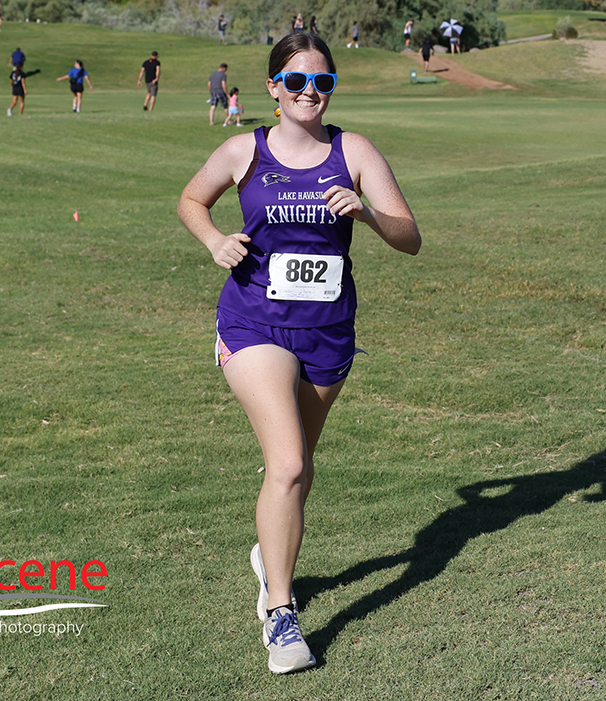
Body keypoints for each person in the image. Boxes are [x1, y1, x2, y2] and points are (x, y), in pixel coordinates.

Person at [177, 32, 420, 675]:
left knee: (301, 468)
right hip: (254, 320)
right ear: (273, 90)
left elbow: (410, 237)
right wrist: (211, 241)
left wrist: (367, 215)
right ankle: (281, 611)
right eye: (296, 82)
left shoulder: (355, 150)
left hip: (328, 331)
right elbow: (190, 200)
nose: (309, 93)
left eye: (322, 83)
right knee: (285, 464)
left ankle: (269, 551)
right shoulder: (243, 150)